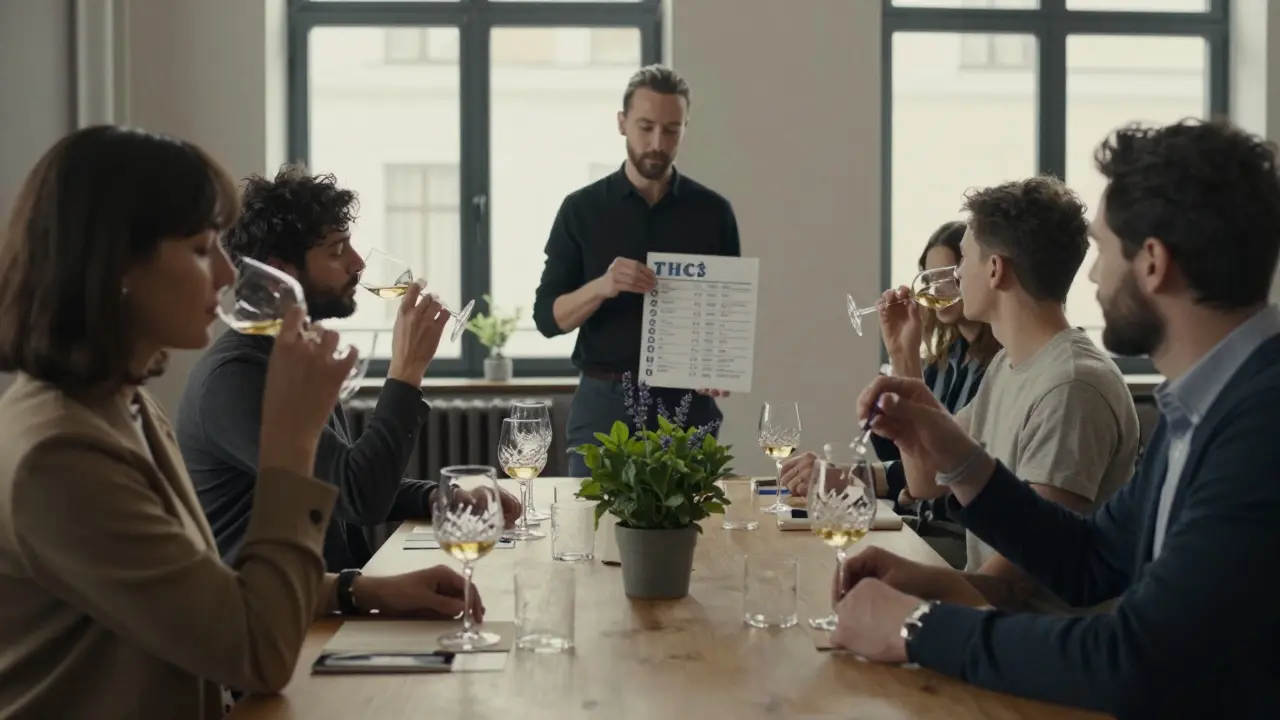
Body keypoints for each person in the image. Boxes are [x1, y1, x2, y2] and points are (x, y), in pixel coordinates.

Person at [0, 126, 488, 719]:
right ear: (119, 265)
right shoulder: (60, 456)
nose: (231, 277)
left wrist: (360, 589)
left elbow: (204, 587)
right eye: (203, 249)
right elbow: (256, 652)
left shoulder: (123, 407)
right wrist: (291, 442)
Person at [833, 118, 1280, 718]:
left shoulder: (1260, 427)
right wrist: (962, 459)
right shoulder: (1201, 405)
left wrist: (917, 629)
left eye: (1101, 249)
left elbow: (1140, 659)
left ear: (1152, 263)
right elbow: (1089, 560)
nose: (1091, 274)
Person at [177, 165, 520, 573]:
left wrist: (438, 497)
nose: (358, 263)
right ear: (280, 271)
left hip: (333, 597)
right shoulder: (237, 379)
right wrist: (406, 370)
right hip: (286, 621)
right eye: (337, 251)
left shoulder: (289, 356)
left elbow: (337, 481)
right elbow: (359, 495)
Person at [532, 64, 740, 477]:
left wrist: (715, 367)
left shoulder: (714, 213)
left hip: (687, 409)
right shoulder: (582, 209)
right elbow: (547, 319)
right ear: (622, 123)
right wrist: (603, 286)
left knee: (693, 539)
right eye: (645, 127)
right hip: (603, 404)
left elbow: (724, 316)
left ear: (684, 129)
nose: (657, 143)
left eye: (671, 130)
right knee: (593, 537)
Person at [781, 221, 1002, 566]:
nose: (937, 287)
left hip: (959, 537)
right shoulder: (944, 363)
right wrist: (903, 354)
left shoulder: (1001, 367)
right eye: (928, 277)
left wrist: (847, 479)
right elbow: (907, 454)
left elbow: (942, 468)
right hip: (923, 523)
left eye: (948, 273)